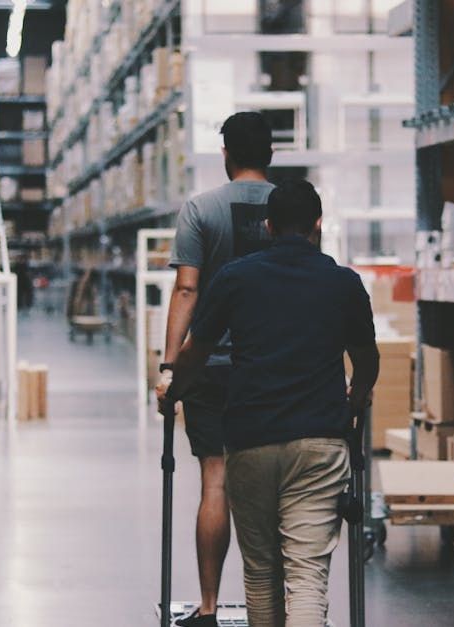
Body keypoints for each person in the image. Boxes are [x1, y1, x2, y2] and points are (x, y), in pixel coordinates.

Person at [161, 180, 380, 627]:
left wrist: (172, 388)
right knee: (306, 574)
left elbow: (197, 352)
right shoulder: (344, 283)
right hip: (320, 442)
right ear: (318, 225)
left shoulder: (235, 279)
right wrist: (354, 401)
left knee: (261, 575)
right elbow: (367, 361)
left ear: (268, 226)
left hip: (251, 442)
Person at [158, 111, 276, 627]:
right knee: (272, 484)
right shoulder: (292, 206)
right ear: (270, 153)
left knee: (216, 481)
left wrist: (169, 366)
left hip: (211, 364)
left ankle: (208, 608)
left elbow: (187, 288)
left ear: (225, 153)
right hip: (272, 365)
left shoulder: (200, 209)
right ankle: (269, 608)